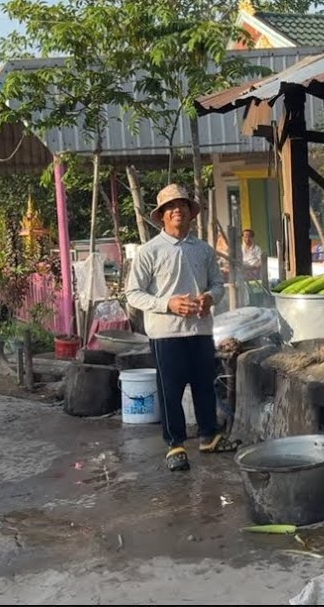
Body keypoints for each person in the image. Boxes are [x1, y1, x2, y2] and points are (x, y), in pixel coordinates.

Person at [123, 184, 239, 472]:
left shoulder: (203, 249)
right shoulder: (149, 251)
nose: (178, 210)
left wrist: (210, 298)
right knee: (170, 391)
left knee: (203, 386)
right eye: (171, 207)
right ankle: (175, 444)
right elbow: (133, 293)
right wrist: (168, 304)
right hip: (166, 334)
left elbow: (217, 284)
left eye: (183, 205)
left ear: (191, 213)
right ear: (162, 215)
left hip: (200, 330)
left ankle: (208, 436)